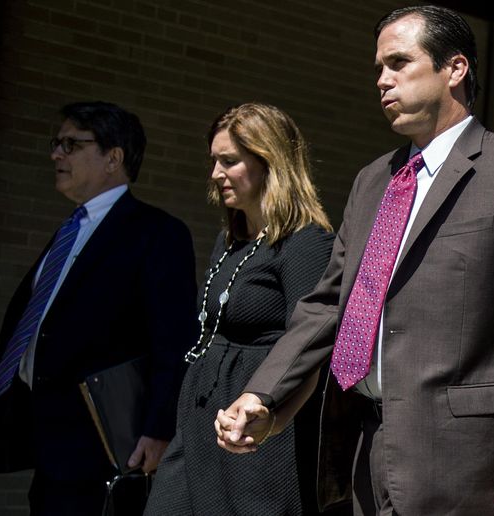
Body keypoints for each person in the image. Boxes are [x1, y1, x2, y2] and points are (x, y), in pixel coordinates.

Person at [216, 6, 494, 516]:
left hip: (469, 461)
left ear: (454, 69)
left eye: (398, 63)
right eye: (378, 70)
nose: (383, 81)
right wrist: (263, 394)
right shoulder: (374, 181)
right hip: (365, 446)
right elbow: (328, 305)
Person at [0, 101, 197, 514]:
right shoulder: (69, 231)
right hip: (47, 448)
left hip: (105, 452)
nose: (56, 154)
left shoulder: (156, 233)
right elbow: (29, 330)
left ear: (113, 158)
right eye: (56, 143)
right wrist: (0, 430)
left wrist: (159, 429)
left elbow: (174, 340)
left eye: (71, 144)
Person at [145, 102, 335, 515]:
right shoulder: (229, 241)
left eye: (229, 161)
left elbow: (310, 347)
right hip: (199, 423)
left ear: (270, 162)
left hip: (255, 433)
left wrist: (270, 415)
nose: (216, 173)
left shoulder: (306, 242)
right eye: (214, 160)